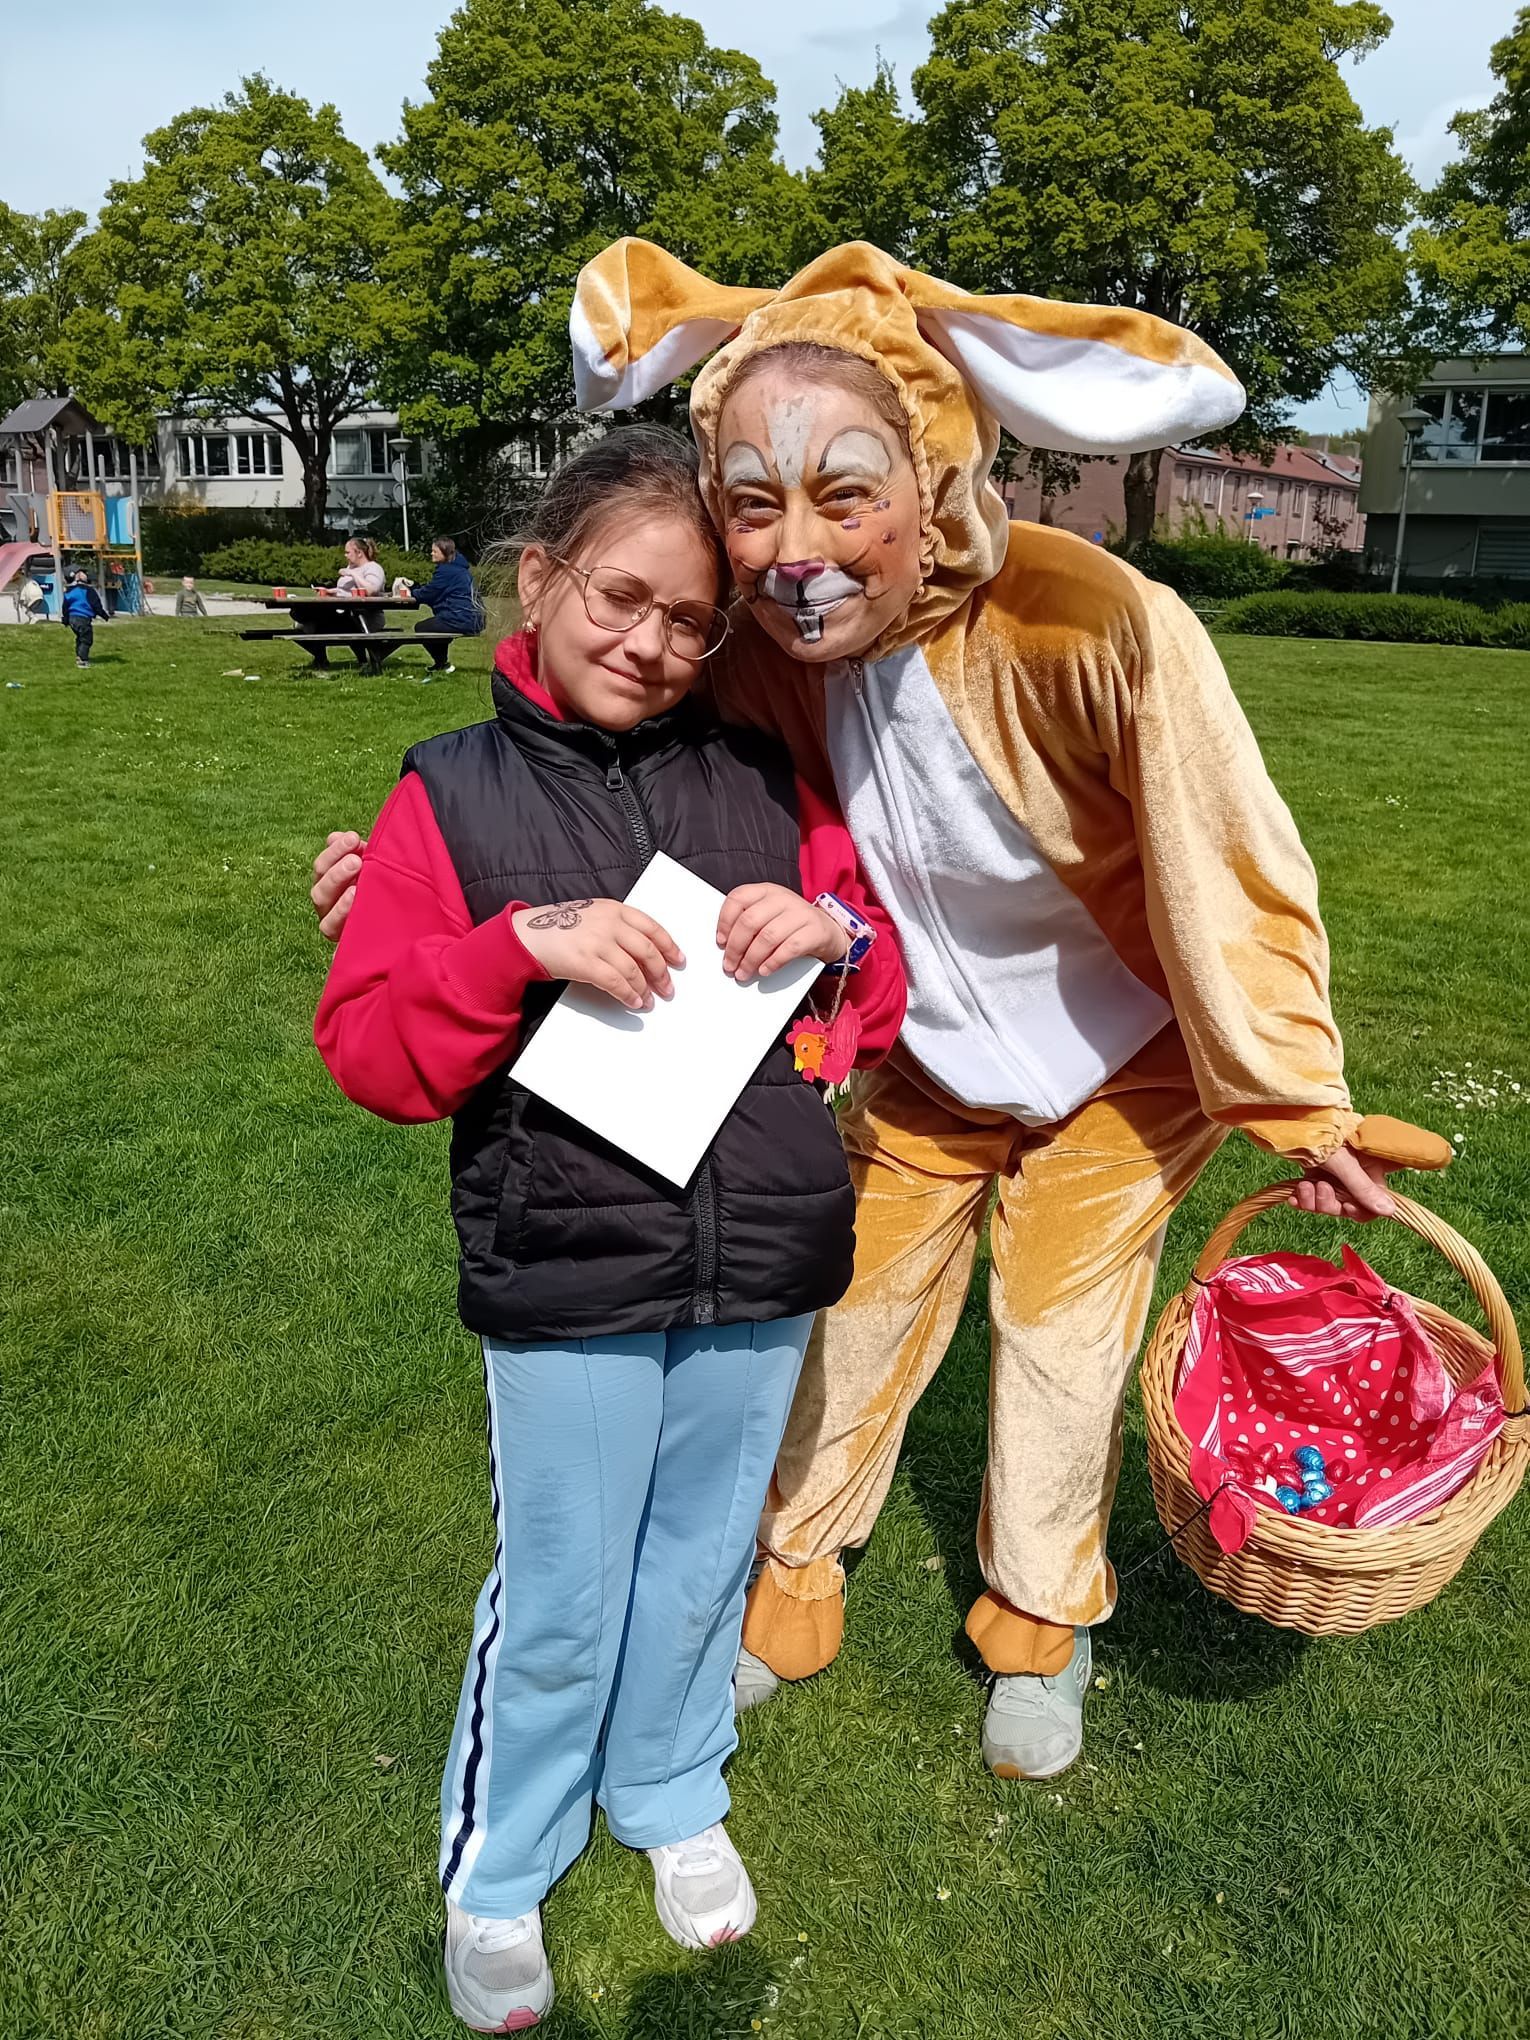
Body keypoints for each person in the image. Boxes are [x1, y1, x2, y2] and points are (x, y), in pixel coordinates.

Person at [314, 240, 1448, 1788]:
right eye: (753, 505)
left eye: (844, 496)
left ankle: (1038, 1622)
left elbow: (1226, 853)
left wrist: (1294, 1097)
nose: (794, 554)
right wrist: (413, 876)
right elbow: (597, 719)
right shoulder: (761, 654)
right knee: (846, 1315)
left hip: (1121, 1061)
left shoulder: (1090, 622)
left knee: (1055, 1340)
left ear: (936, 471)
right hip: (914, 1055)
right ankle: (790, 1573)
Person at [313, 422, 903, 2033]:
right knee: (564, 1589)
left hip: (760, 1257)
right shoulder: (446, 791)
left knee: (701, 1561)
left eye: (689, 621)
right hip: (565, 1268)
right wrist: (515, 943)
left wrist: (829, 933)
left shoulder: (763, 776)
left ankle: (669, 1788)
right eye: (618, 598)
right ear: (540, 578)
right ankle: (502, 1864)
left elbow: (874, 994)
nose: (648, 643)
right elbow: (371, 1052)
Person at [392, 535, 483, 672]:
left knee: (422, 628)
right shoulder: (458, 568)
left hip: (461, 618)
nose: (431, 553)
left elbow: (430, 593)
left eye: (435, 551)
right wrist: (415, 587)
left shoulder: (447, 570)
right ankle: (441, 664)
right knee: (435, 626)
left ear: (444, 553)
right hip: (473, 618)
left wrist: (411, 592)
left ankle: (441, 663)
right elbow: (435, 589)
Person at [60, 570, 108, 668]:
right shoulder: (89, 591)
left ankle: (79, 655)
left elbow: (65, 606)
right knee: (87, 639)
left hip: (72, 618)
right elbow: (96, 605)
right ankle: (82, 660)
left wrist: (65, 619)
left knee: (80, 637)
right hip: (83, 618)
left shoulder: (69, 591)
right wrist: (104, 615)